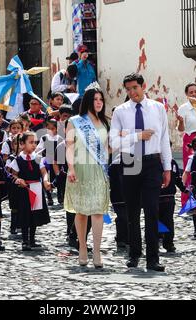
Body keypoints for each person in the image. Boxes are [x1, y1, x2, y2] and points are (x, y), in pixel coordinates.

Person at [110, 73, 172, 272]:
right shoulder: (120, 112)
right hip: (129, 161)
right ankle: (134, 253)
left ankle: (153, 258)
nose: (132, 92)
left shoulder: (158, 108)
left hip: (152, 161)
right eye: (128, 89)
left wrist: (168, 167)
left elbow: (164, 139)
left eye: (135, 88)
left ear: (143, 86)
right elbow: (114, 142)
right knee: (132, 211)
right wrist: (137, 136)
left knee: (152, 210)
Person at [65, 84, 110, 268]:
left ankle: (97, 252)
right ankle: (83, 247)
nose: (98, 103)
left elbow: (108, 148)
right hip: (80, 169)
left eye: (101, 100)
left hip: (99, 171)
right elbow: (68, 146)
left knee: (98, 211)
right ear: (88, 101)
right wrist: (71, 168)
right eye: (95, 99)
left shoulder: (106, 122)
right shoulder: (75, 121)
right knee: (82, 212)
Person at [9, 132, 52, 251]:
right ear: (22, 144)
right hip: (24, 191)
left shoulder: (38, 159)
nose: (34, 145)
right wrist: (18, 180)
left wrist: (45, 181)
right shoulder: (18, 160)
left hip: (36, 188)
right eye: (31, 142)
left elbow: (44, 173)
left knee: (34, 215)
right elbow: (14, 175)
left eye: (35, 143)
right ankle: (24, 241)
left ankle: (32, 240)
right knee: (24, 214)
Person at [176, 83, 196, 207]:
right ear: (187, 95)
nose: (194, 94)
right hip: (191, 140)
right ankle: (187, 201)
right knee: (189, 171)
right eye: (191, 92)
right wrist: (181, 122)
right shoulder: (183, 108)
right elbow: (180, 129)